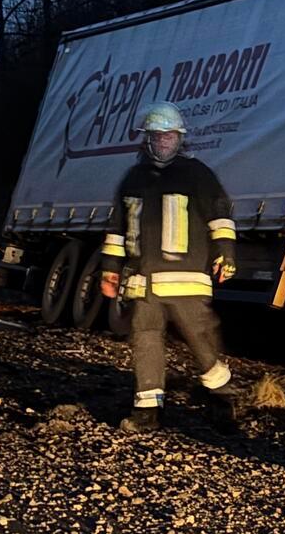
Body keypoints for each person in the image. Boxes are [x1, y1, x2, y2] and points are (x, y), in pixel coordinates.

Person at [98, 102, 236, 431]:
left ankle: (223, 398)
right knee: (145, 341)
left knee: (200, 339)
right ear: (146, 140)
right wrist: (110, 269)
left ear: (180, 139)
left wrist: (225, 253)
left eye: (169, 137)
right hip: (142, 283)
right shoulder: (133, 180)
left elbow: (220, 216)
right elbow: (118, 228)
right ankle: (147, 412)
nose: (163, 143)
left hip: (186, 280)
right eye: (157, 137)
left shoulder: (197, 175)